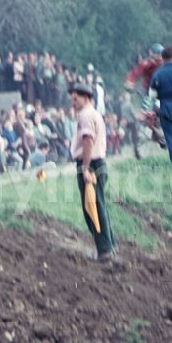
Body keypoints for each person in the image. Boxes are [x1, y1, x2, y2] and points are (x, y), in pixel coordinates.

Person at [70, 81, 115, 262]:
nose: (73, 102)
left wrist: (86, 168)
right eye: (72, 99)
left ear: (87, 98)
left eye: (76, 99)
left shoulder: (86, 115)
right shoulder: (92, 113)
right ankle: (109, 245)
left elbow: (88, 141)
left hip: (91, 164)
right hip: (97, 163)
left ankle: (104, 250)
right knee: (98, 205)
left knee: (93, 208)